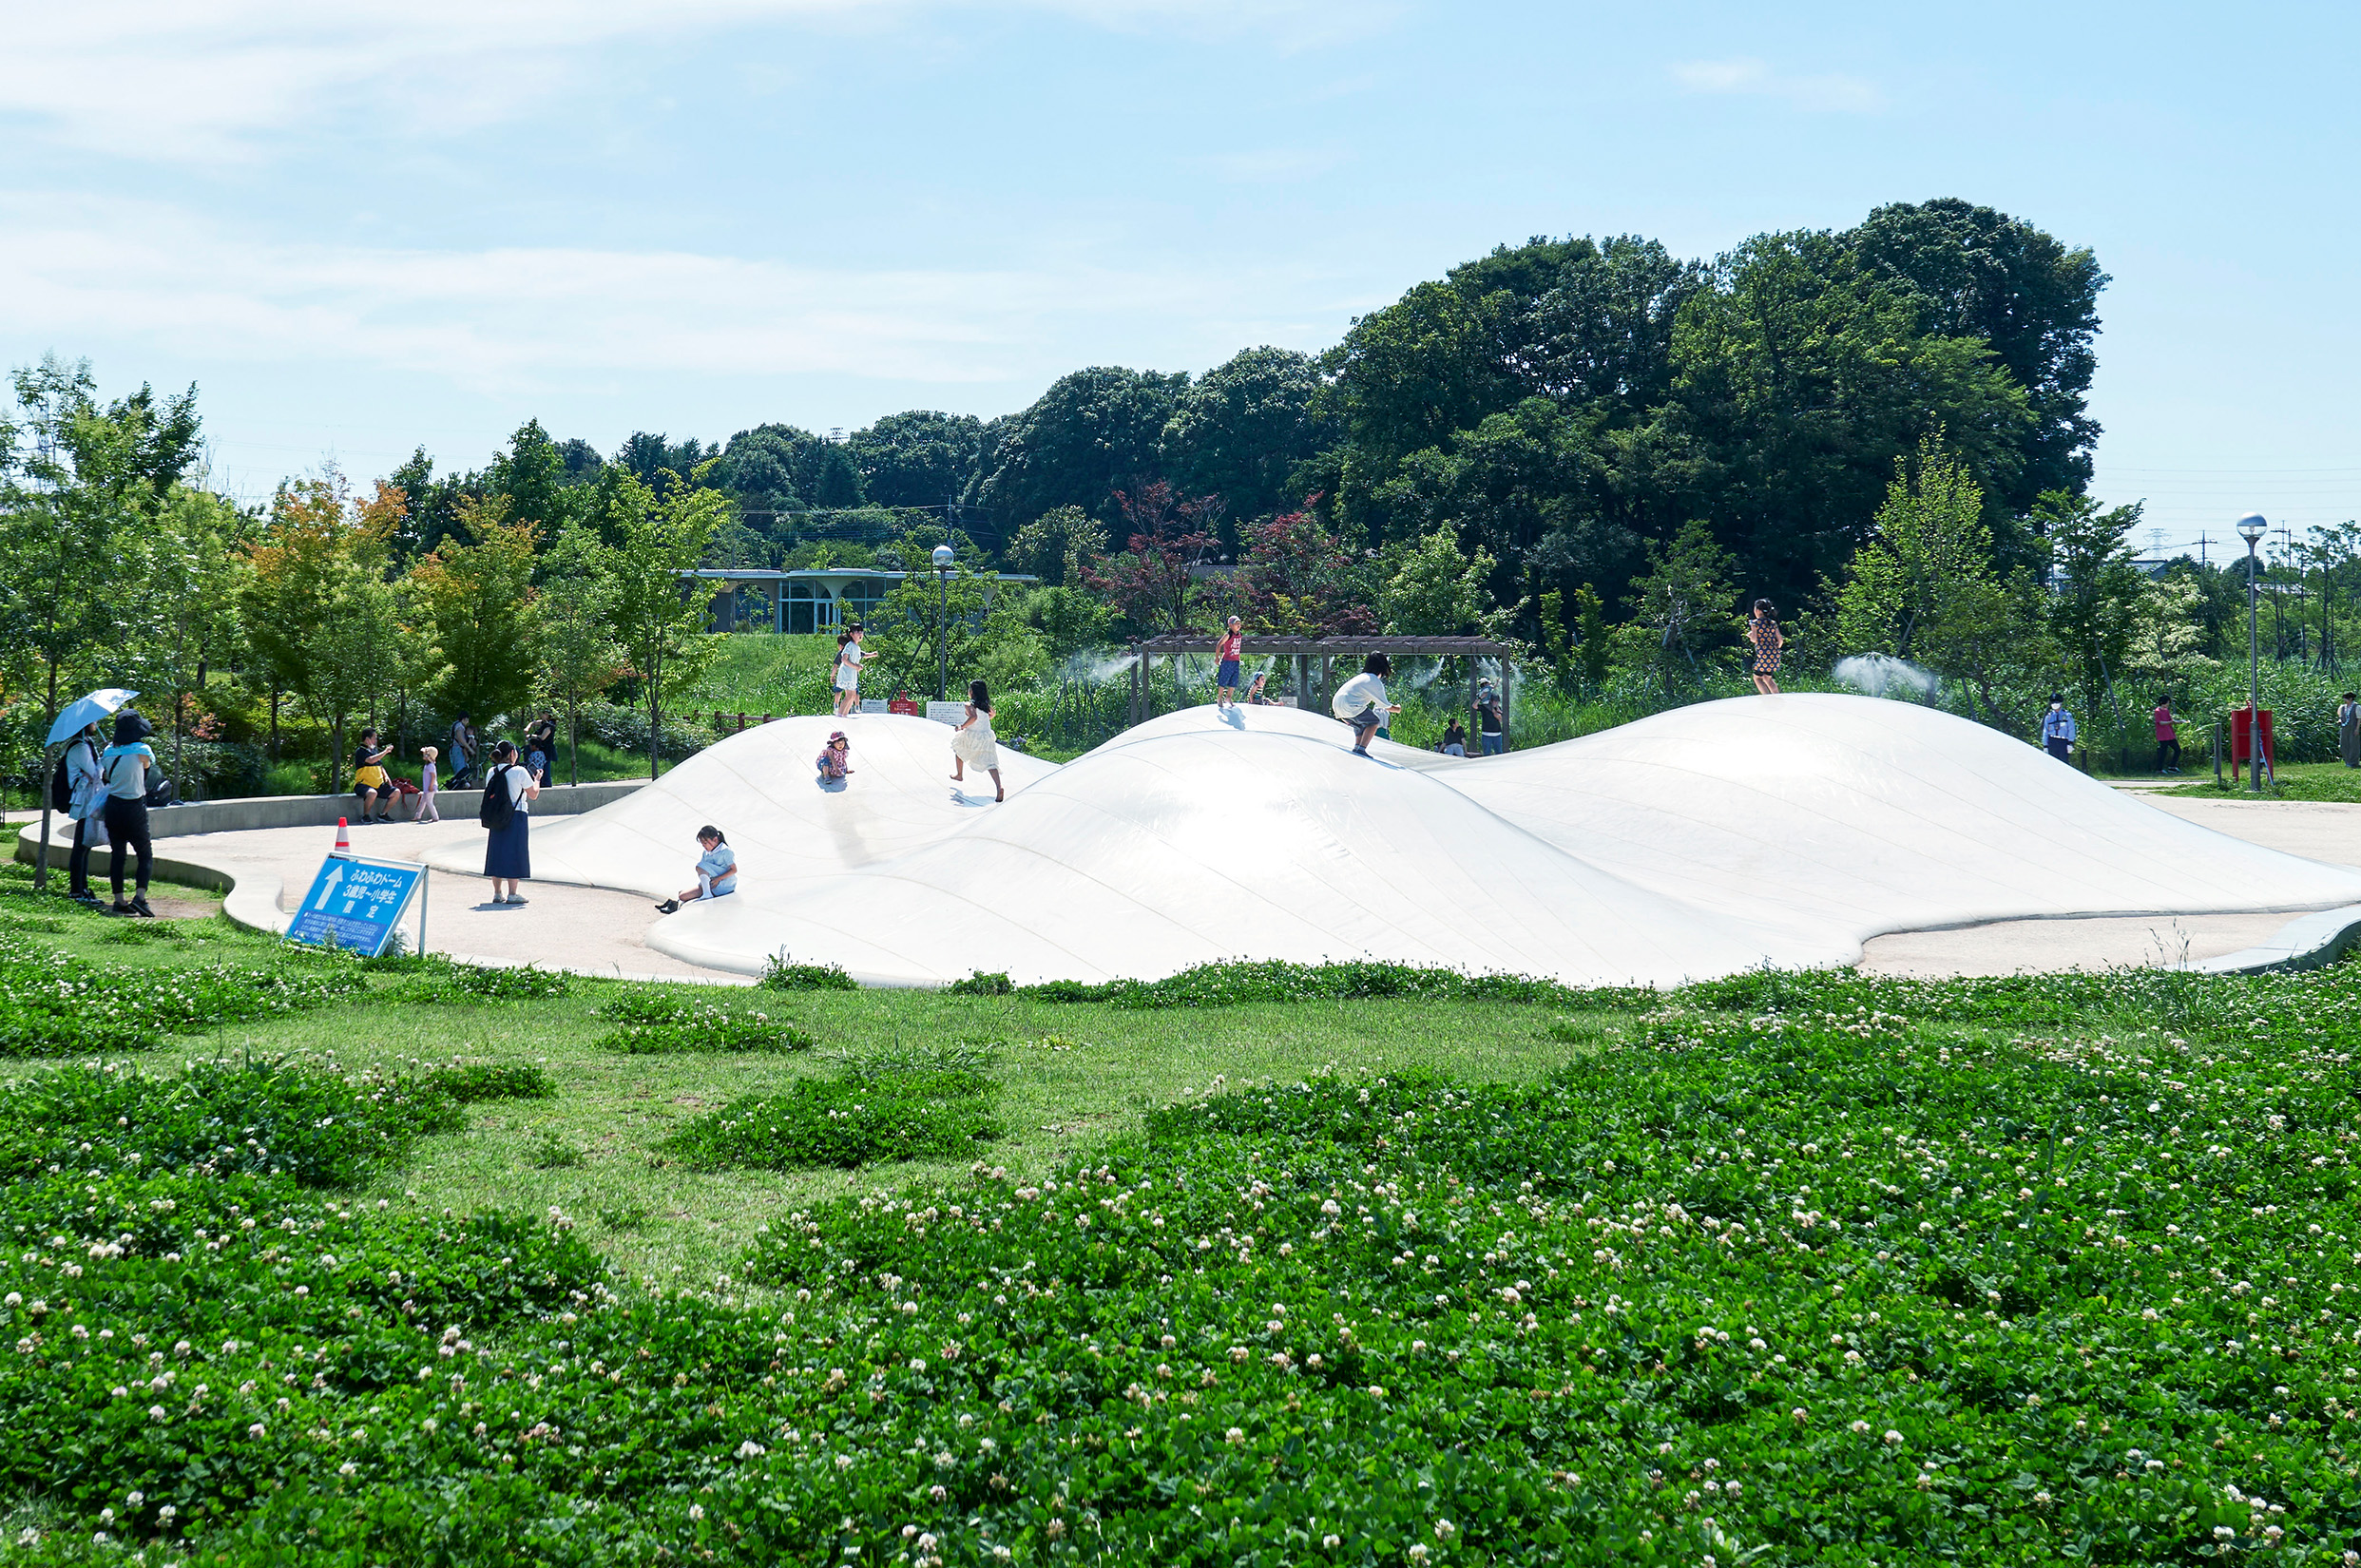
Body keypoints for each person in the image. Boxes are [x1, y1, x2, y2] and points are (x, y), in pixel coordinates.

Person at [98, 710, 159, 918]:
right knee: (144, 853)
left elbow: (105, 776)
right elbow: (147, 768)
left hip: (113, 807)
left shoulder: (106, 752)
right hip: (134, 807)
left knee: (118, 855)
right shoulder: (142, 750)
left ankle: (118, 900)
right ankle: (140, 898)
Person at [481, 740, 539, 905]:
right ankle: (513, 893)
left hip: (496, 816)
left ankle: (497, 893)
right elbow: (533, 794)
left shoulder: (492, 772)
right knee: (515, 852)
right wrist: (538, 780)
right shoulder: (519, 771)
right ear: (513, 754)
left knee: (497, 852)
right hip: (516, 815)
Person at [64, 721, 106, 906]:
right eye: (94, 722)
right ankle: (76, 890)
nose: (96, 724)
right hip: (83, 801)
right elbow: (95, 773)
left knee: (85, 845)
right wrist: (105, 759)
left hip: (87, 798)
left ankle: (82, 888)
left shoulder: (85, 743)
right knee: (81, 846)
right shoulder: (80, 747)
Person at [654, 826, 737, 913]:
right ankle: (674, 905)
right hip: (712, 885)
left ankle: (707, 894)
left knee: (700, 865)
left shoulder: (725, 851)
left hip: (723, 885)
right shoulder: (706, 853)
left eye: (705, 843)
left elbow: (734, 870)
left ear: (715, 840)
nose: (704, 846)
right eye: (702, 844)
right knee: (682, 895)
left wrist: (718, 879)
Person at [1333, 654, 1399, 757]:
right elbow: (1384, 705)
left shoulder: (1361, 677)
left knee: (1360, 725)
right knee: (1374, 721)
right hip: (1349, 705)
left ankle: (1357, 747)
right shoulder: (1373, 680)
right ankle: (1362, 749)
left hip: (1337, 705)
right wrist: (1397, 709)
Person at [950, 679, 1006, 802]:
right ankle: (999, 787)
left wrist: (961, 727)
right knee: (991, 763)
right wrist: (983, 721)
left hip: (972, 735)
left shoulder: (969, 705)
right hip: (986, 736)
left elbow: (973, 717)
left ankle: (959, 774)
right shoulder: (985, 706)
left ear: (972, 692)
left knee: (959, 749)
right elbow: (993, 714)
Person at [354, 728, 395, 822]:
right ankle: (366, 815)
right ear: (367, 739)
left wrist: (386, 777)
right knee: (372, 793)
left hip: (378, 783)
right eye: (374, 738)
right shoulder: (360, 751)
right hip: (363, 784)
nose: (376, 740)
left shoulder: (374, 750)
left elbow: (379, 765)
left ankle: (383, 814)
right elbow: (371, 760)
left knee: (396, 792)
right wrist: (385, 752)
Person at [1748, 600, 1784, 697]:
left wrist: (1750, 635)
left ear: (1758, 610)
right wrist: (1776, 648)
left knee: (1757, 678)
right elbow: (1780, 640)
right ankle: (1777, 696)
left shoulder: (1755, 623)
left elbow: (1754, 639)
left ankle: (1766, 697)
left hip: (1763, 654)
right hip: (1774, 654)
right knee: (1768, 678)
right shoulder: (1772, 623)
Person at [834, 623, 867, 717]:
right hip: (846, 673)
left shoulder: (857, 647)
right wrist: (856, 667)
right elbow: (844, 659)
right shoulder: (849, 645)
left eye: (861, 632)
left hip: (852, 673)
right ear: (851, 634)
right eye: (857, 632)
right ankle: (840, 715)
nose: (860, 634)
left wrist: (858, 666)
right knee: (849, 695)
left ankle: (844, 714)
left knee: (852, 695)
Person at [1214, 616, 1244, 708]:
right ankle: (1219, 697)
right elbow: (1219, 644)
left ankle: (1228, 697)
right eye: (1236, 624)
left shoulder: (1239, 634)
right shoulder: (1228, 635)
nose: (1238, 625)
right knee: (1224, 679)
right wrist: (1217, 657)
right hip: (1227, 661)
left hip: (1236, 661)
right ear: (1230, 625)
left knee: (1234, 681)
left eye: (1239, 623)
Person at [1472, 681, 1506, 755]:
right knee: (1487, 753)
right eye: (1494, 701)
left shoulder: (1498, 708)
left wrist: (1497, 712)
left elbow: (1501, 719)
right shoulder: (1484, 707)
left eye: (1497, 701)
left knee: (1499, 753)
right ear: (1490, 701)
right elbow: (1474, 706)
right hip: (1486, 734)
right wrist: (1480, 698)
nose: (1496, 703)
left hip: (1497, 734)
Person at [2041, 694, 2076, 764]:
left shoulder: (2067, 715)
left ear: (2061, 703)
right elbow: (2045, 731)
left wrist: (2070, 743)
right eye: (2053, 702)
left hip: (2063, 742)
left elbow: (2071, 729)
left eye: (2056, 702)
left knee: (2064, 763)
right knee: (2052, 764)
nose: (2055, 704)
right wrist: (2045, 745)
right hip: (2052, 741)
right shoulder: (2049, 717)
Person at [525, 712, 558, 785]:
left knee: (546, 767)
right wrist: (528, 727)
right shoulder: (544, 723)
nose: (542, 715)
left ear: (548, 715)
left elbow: (542, 737)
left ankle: (547, 784)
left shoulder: (550, 726)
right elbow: (533, 723)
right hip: (541, 749)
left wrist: (531, 735)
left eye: (544, 714)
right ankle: (540, 783)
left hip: (547, 749)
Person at [448, 713, 477, 789]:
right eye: (467, 720)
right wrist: (470, 749)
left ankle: (462, 786)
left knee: (461, 771)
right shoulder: (460, 726)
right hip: (457, 750)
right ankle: (460, 788)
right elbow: (461, 739)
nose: (468, 722)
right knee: (460, 772)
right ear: (464, 719)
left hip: (457, 750)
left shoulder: (457, 725)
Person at [413, 745, 441, 822]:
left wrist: (431, 786)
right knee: (423, 801)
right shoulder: (427, 765)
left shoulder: (431, 766)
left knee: (429, 802)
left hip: (430, 787)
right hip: (427, 787)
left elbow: (433, 776)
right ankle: (418, 816)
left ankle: (435, 817)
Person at [2154, 700, 2182, 774]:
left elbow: (2170, 720)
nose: (2168, 704)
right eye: (2167, 703)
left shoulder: (2166, 711)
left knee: (2178, 750)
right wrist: (2170, 722)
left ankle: (2172, 767)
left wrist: (2177, 722)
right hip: (2162, 735)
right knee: (2163, 752)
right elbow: (2160, 722)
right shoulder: (2157, 711)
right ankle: (2159, 769)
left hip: (2170, 734)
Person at [2340, 692, 2361, 769]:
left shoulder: (2357, 707)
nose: (2345, 701)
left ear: (2351, 699)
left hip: (2353, 728)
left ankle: (2354, 762)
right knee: (2343, 745)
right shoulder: (2343, 707)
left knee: (2353, 745)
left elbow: (2359, 719)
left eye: (2346, 699)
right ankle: (2347, 760)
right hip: (2344, 728)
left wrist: (2357, 729)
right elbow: (2341, 716)